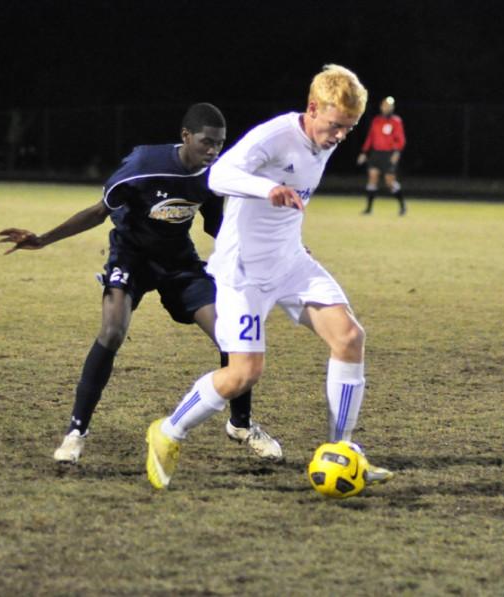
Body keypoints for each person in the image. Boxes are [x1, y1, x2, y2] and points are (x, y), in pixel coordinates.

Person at [145, 66, 394, 490]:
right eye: (335, 126)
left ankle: (341, 451)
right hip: (244, 270)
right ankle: (168, 432)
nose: (338, 137)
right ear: (312, 108)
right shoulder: (275, 135)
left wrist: (292, 235)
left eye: (348, 130)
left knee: (349, 338)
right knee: (243, 374)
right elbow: (219, 175)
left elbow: (289, 200)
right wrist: (267, 189)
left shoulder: (325, 138)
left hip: (291, 261)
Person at [0, 103, 283, 464]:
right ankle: (75, 432)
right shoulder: (142, 165)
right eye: (206, 142)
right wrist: (44, 239)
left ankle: (241, 425)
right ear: (185, 137)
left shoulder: (212, 176)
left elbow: (217, 227)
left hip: (179, 262)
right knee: (112, 332)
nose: (213, 151)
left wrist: (270, 249)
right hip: (131, 258)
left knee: (231, 337)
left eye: (220, 144)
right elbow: (99, 211)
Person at [357, 96, 407, 215]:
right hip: (376, 154)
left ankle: (402, 206)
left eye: (389, 106)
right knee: (372, 179)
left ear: (392, 108)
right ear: (381, 107)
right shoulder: (376, 120)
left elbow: (401, 140)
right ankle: (369, 209)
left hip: (389, 154)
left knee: (390, 182)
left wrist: (397, 152)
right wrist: (364, 152)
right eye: (385, 105)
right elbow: (370, 137)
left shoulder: (396, 121)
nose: (387, 107)